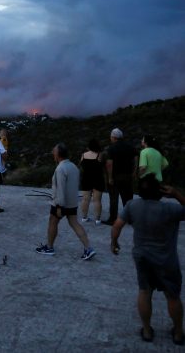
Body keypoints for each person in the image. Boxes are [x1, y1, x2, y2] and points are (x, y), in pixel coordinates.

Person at [111, 174, 185, 345]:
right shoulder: (170, 210)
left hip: (142, 257)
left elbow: (116, 226)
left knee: (144, 292)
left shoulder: (132, 206)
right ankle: (179, 334)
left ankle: (146, 330)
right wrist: (176, 194)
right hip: (166, 260)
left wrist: (114, 243)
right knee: (172, 296)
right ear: (160, 191)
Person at [35, 143, 96, 260]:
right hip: (72, 202)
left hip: (61, 203)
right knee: (75, 223)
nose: (53, 153)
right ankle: (88, 248)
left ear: (58, 154)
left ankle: (49, 247)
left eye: (54, 152)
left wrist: (58, 206)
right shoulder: (73, 167)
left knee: (52, 222)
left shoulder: (60, 169)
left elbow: (60, 189)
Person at [104, 128, 138, 225]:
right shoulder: (130, 147)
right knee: (128, 198)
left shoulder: (111, 148)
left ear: (114, 137)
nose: (110, 138)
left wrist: (110, 177)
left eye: (111, 137)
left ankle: (112, 219)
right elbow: (136, 157)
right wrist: (135, 171)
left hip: (115, 177)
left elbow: (109, 163)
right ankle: (130, 219)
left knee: (114, 199)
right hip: (127, 176)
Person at [79, 139, 105, 225]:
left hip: (86, 179)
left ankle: (84, 217)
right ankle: (97, 219)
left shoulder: (83, 155)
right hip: (98, 179)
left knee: (85, 199)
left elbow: (81, 166)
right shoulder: (99, 155)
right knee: (97, 200)